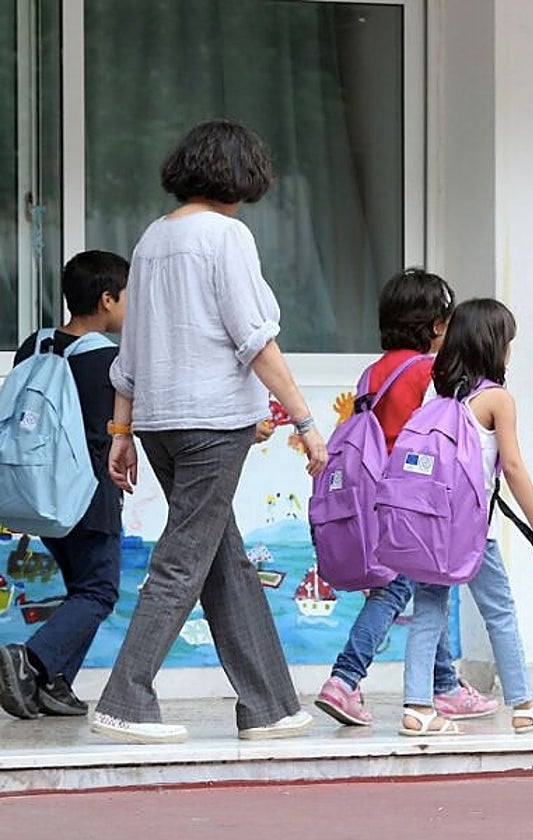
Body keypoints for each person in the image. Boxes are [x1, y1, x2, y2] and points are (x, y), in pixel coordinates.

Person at [92, 120, 328, 744]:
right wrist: (306, 421)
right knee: (182, 561)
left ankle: (270, 705)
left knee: (223, 560)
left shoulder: (151, 240)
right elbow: (257, 339)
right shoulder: (227, 236)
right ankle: (124, 699)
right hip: (212, 426)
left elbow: (131, 350)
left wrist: (121, 429)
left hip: (159, 426)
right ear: (242, 174)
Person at [314, 269, 498, 726]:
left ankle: (445, 685)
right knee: (397, 589)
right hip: (409, 501)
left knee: (417, 586)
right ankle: (344, 678)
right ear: (437, 326)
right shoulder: (425, 372)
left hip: (368, 495)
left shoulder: (371, 372)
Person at [399, 299, 533, 736]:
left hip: (429, 524)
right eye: (508, 341)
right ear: (494, 345)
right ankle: (525, 704)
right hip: (472, 529)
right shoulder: (496, 399)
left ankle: (417, 707)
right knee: (500, 611)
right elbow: (512, 468)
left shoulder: (434, 392)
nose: (510, 349)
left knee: (429, 609)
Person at [0, 252, 128, 720]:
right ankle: (28, 660)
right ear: (107, 298)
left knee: (82, 588)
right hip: (88, 495)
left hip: (38, 494)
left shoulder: (35, 345)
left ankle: (52, 685)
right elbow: (113, 432)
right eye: (126, 297)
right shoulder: (109, 362)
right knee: (99, 591)